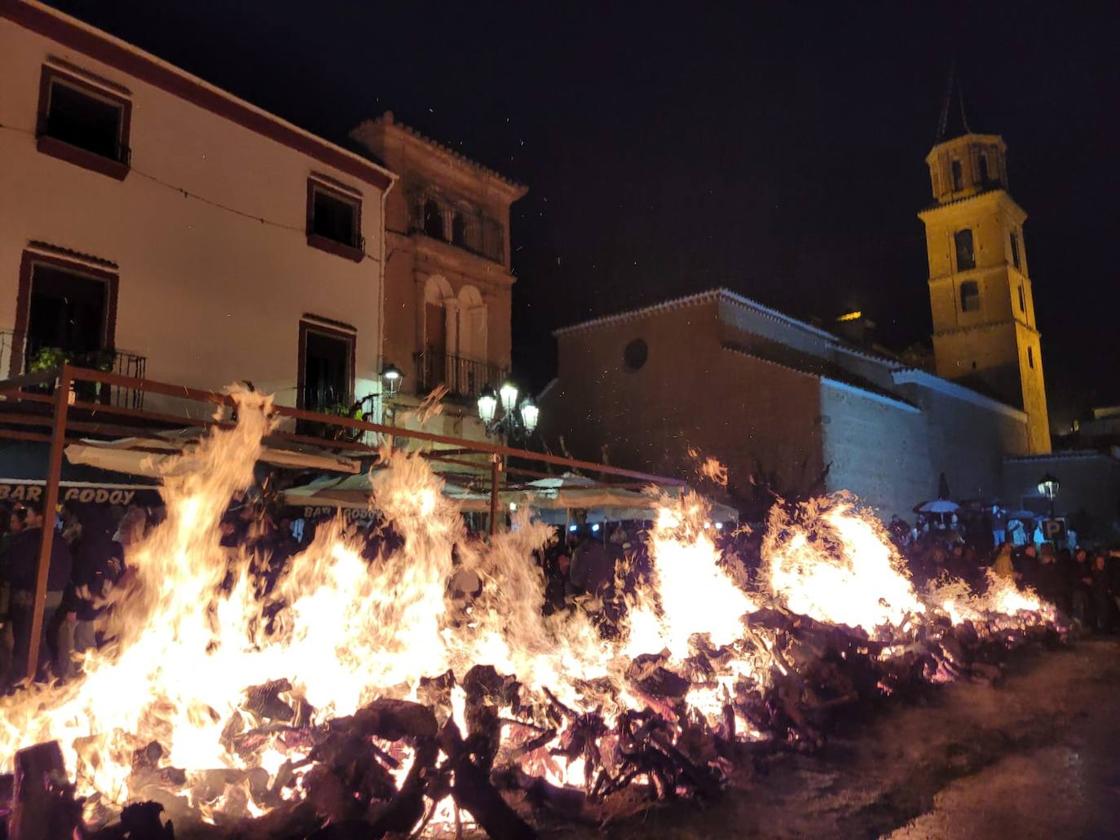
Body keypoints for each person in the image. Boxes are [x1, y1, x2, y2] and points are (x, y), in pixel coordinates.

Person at [3, 502, 74, 681]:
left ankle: (24, 682)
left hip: (30, 596)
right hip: (54, 598)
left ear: (39, 516)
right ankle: (44, 678)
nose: (26, 515)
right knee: (38, 639)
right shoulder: (59, 539)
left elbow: (14, 568)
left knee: (25, 643)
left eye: (29, 512)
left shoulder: (29, 539)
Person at [1090, 553, 1113, 633]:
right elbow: (1093, 583)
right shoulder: (1094, 572)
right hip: (1097, 594)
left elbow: (1108, 582)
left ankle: (1105, 627)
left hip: (1105, 594)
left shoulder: (1106, 571)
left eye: (1102, 561)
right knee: (1100, 611)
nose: (1101, 563)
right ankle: (1100, 628)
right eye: (1099, 561)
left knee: (1105, 611)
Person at [1069, 548, 1093, 627]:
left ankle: (1084, 626)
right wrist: (1083, 580)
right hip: (1077, 589)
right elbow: (1072, 577)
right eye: (1081, 554)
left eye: (1084, 555)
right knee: (1078, 608)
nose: (1083, 556)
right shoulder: (1073, 564)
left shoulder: (1086, 564)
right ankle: (1077, 626)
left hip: (1086, 590)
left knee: (1086, 608)